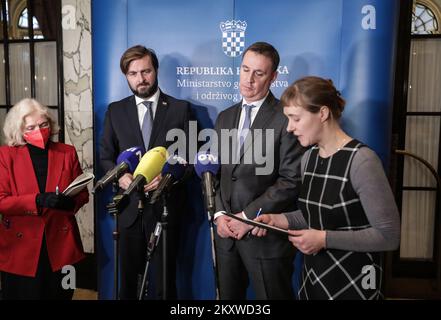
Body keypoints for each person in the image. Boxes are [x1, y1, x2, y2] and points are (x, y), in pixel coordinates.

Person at [252, 76, 401, 300]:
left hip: (355, 284)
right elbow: (317, 214)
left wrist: (324, 239)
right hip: (313, 282)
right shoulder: (308, 158)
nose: (290, 128)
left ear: (322, 113)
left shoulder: (362, 161)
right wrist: (277, 220)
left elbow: (388, 235)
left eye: (295, 119)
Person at [213, 42, 304, 299]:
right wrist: (219, 214)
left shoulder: (286, 118)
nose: (249, 80)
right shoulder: (224, 117)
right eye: (245, 69)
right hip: (226, 236)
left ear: (273, 77)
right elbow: (215, 174)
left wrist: (247, 216)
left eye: (259, 73)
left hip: (265, 237)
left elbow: (291, 179)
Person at [100, 45, 192, 300]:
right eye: (133, 73)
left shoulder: (180, 109)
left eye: (146, 71)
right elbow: (106, 156)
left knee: (164, 284)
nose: (141, 79)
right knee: (127, 285)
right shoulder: (115, 111)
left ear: (156, 70)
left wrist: (168, 177)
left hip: (165, 210)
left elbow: (190, 159)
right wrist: (120, 176)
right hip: (128, 211)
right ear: (126, 76)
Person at [0, 98, 89, 300]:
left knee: (62, 295)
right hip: (21, 249)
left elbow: (82, 193)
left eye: (43, 124)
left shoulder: (67, 152)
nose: (39, 131)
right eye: (30, 127)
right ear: (19, 130)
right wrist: (38, 200)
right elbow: (2, 201)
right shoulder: (5, 156)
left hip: (61, 245)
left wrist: (72, 203)